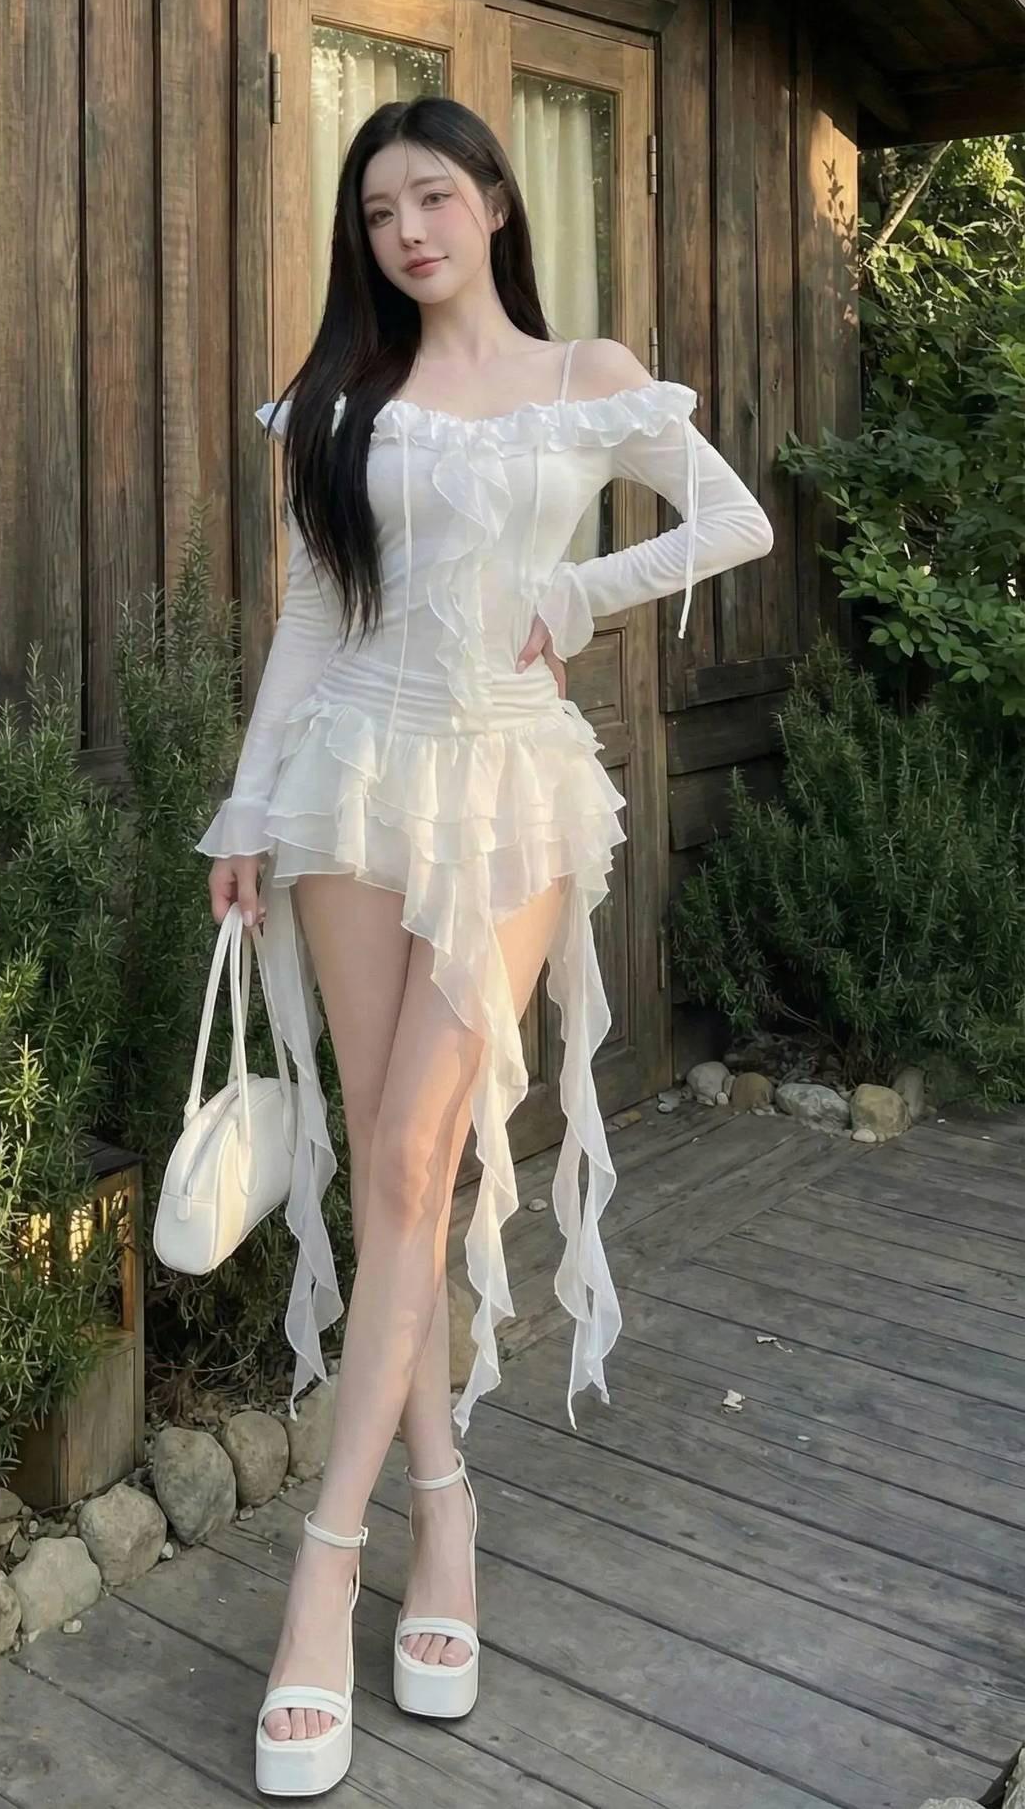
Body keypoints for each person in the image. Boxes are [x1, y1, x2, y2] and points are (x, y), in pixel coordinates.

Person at [193, 95, 774, 1795]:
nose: (408, 232)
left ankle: (325, 1567)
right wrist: (244, 812)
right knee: (396, 1178)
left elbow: (730, 518)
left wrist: (578, 595)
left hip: (511, 790)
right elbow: (313, 611)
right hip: (350, 784)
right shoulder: (340, 400)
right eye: (379, 212)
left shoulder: (586, 373)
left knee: (415, 1157)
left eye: (433, 198)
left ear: (497, 203)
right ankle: (443, 1511)